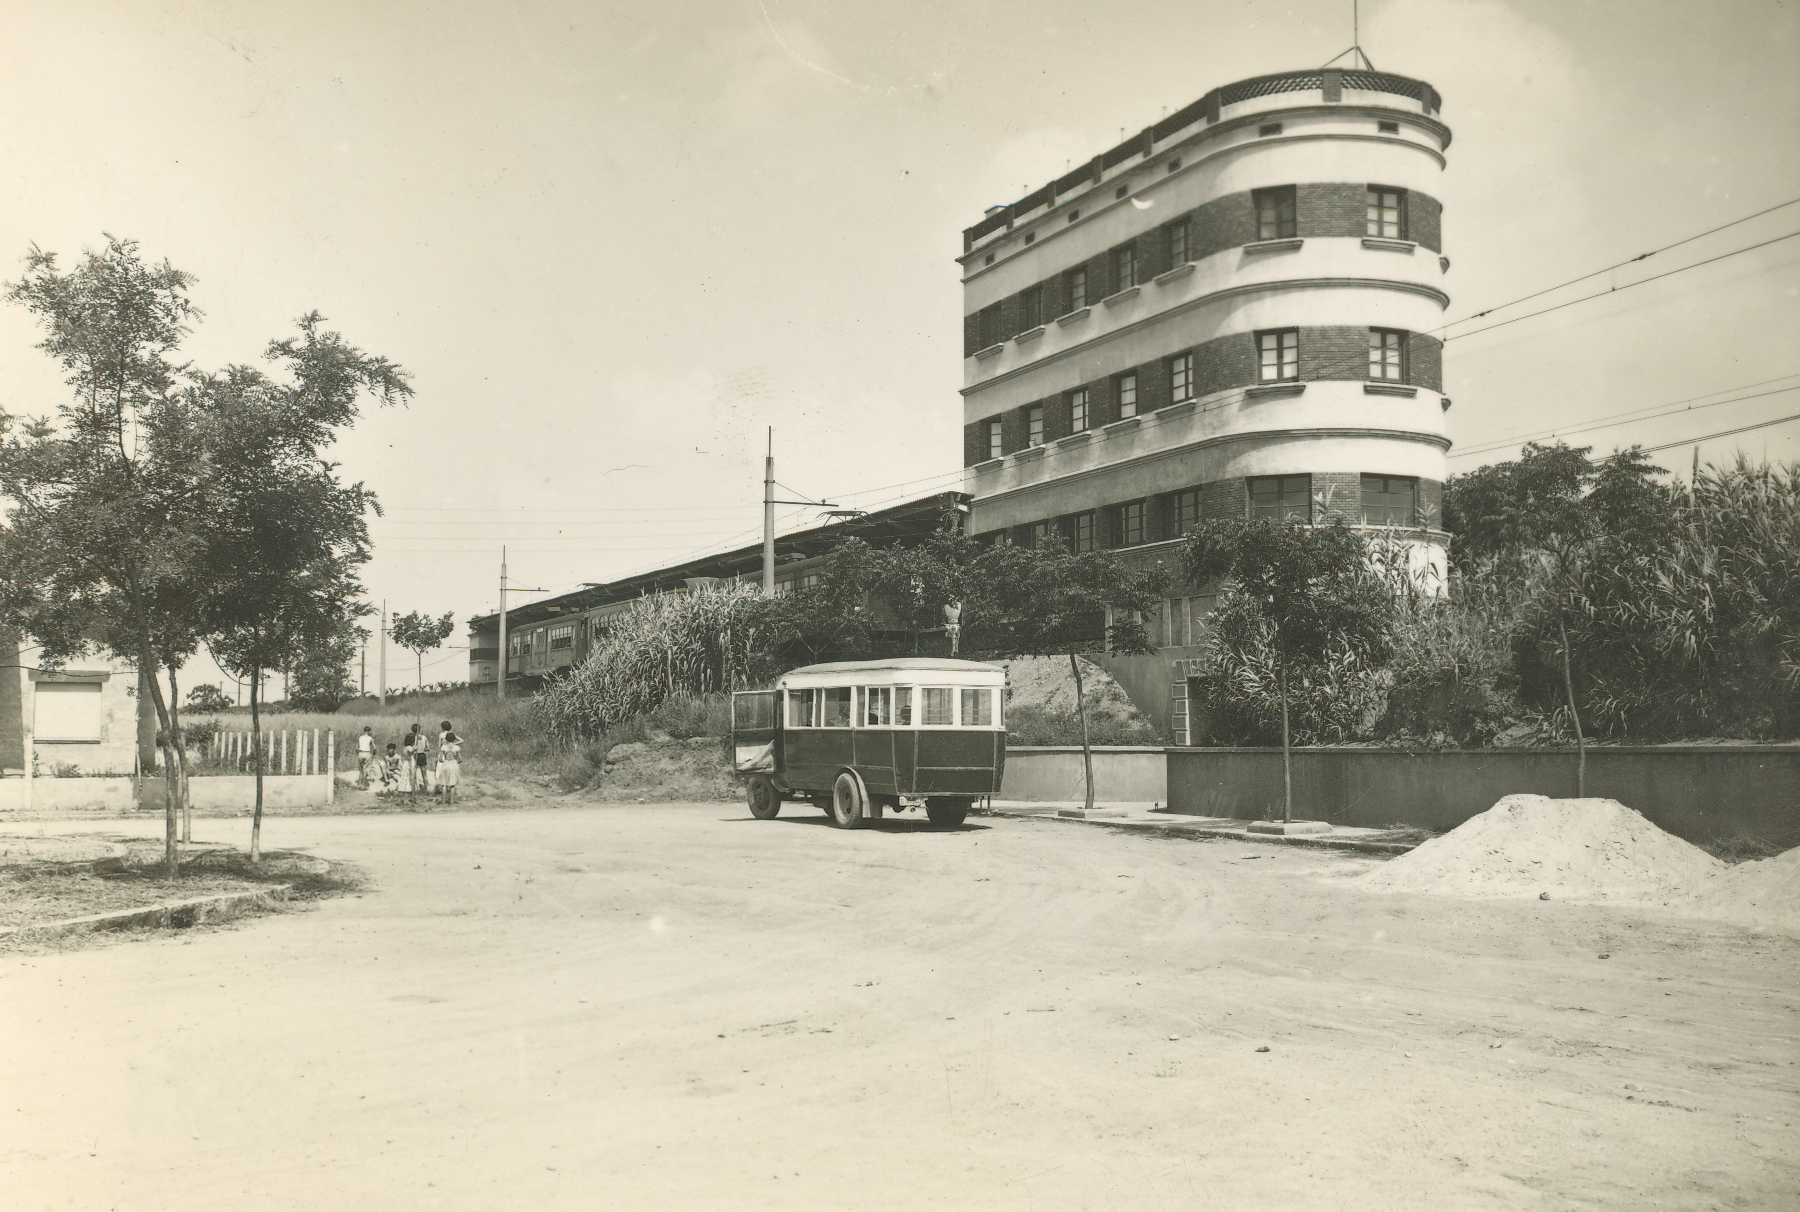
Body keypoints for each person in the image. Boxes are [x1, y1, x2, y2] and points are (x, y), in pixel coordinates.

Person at [436, 731, 463, 805]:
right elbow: (460, 759)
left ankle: (443, 801)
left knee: (444, 783)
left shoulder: (443, 747)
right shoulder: (456, 747)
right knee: (453, 784)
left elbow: (440, 759)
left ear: (446, 739)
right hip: (453, 764)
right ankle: (451, 801)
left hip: (446, 763)